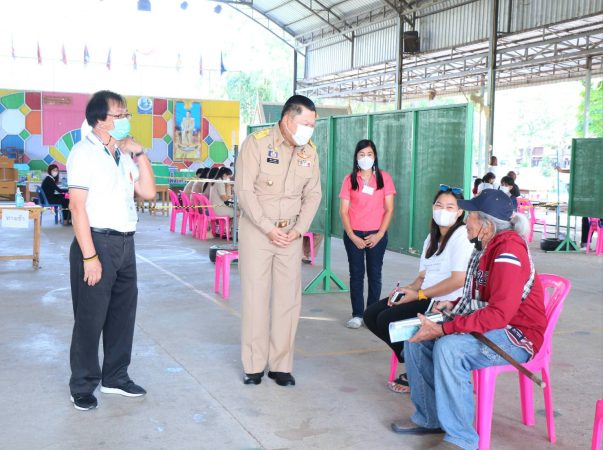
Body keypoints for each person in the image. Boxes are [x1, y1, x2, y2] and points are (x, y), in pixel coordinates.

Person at [390, 189, 546, 450]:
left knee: (450, 348)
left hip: (517, 336)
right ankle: (429, 418)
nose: (465, 221)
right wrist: (453, 305)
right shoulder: (485, 246)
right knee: (416, 338)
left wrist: (445, 328)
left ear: (485, 224)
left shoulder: (508, 250)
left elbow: (499, 314)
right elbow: (482, 297)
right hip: (494, 326)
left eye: (470, 215)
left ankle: (461, 439)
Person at [66, 90, 156, 411]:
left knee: (122, 314)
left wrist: (141, 154)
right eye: (119, 115)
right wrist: (89, 256)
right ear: (100, 120)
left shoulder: (122, 156)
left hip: (125, 243)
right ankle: (83, 384)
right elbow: (78, 208)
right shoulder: (83, 153)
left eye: (126, 114)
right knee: (90, 318)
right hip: (96, 241)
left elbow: (147, 191)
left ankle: (115, 377)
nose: (125, 120)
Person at [234, 95, 321, 387]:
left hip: (291, 235)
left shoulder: (309, 151)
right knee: (256, 298)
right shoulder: (257, 144)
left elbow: (314, 194)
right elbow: (245, 191)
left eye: (313, 124)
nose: (310, 129)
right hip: (258, 232)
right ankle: (254, 365)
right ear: (287, 119)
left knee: (288, 300)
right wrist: (268, 228)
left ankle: (281, 365)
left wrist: (299, 229)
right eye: (305, 123)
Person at [364, 185, 473, 393]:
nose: (443, 210)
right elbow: (422, 277)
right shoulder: (431, 237)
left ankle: (418, 369)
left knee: (386, 320)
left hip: (445, 304)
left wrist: (419, 294)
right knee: (372, 314)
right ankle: (416, 363)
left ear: (460, 212)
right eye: (440, 205)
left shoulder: (461, 236)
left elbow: (458, 280)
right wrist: (406, 290)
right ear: (433, 207)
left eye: (451, 207)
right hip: (426, 296)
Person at [339, 139, 396, 329]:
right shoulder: (349, 179)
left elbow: (389, 209)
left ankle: (371, 313)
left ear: (375, 157)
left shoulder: (384, 178)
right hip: (353, 234)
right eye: (362, 154)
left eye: (369, 154)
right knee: (356, 274)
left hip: (376, 235)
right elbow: (344, 211)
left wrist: (379, 234)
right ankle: (357, 314)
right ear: (356, 157)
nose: (366, 158)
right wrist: (352, 235)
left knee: (375, 273)